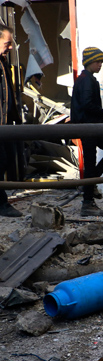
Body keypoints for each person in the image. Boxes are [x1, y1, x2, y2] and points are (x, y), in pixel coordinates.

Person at [70, 47, 103, 216]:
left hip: (92, 127)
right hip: (88, 128)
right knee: (91, 164)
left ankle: (89, 185)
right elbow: (87, 104)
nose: (100, 65)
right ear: (90, 62)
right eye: (98, 62)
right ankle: (87, 204)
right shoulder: (86, 80)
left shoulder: (86, 79)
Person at [0, 25, 22, 217]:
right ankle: (2, 204)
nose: (10, 47)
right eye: (7, 43)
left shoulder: (2, 63)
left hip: (5, 125)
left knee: (5, 161)